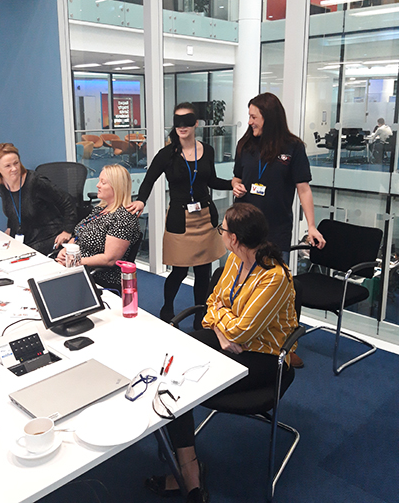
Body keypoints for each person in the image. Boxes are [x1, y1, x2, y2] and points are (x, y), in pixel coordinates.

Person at [145, 203, 298, 503]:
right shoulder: (234, 260)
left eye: (223, 229)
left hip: (265, 356)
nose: (221, 233)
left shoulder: (274, 276)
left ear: (235, 238)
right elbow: (212, 301)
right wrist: (220, 330)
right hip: (228, 340)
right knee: (171, 372)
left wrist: (222, 323)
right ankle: (189, 467)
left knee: (182, 386)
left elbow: (243, 332)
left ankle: (188, 476)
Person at [231, 93, 325, 368]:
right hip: (244, 228)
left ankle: (284, 345)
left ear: (269, 117)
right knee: (242, 286)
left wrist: (311, 226)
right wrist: (235, 184)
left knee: (277, 292)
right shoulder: (245, 144)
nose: (250, 123)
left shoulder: (293, 147)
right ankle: (246, 338)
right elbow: (238, 176)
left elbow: (303, 188)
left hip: (276, 230)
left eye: (254, 117)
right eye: (249, 116)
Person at [127, 102, 232, 328]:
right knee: (179, 271)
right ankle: (167, 307)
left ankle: (199, 317)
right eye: (177, 122)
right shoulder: (167, 154)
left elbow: (211, 180)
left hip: (204, 218)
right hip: (180, 220)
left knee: (204, 272)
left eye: (187, 121)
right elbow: (149, 180)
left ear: (196, 123)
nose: (182, 127)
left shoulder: (208, 150)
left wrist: (232, 184)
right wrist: (141, 200)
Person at [56, 164, 140, 289]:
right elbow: (80, 233)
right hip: (78, 267)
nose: (98, 185)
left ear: (116, 187)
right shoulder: (100, 209)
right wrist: (66, 251)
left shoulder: (124, 218)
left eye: (103, 182)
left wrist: (75, 262)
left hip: (98, 275)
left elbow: (109, 259)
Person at [0, 143, 76, 255]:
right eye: (8, 166)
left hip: (48, 237)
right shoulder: (1, 185)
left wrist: (67, 231)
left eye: (16, 163)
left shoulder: (35, 182)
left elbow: (67, 201)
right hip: (24, 238)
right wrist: (11, 228)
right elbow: (14, 207)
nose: (14, 169)